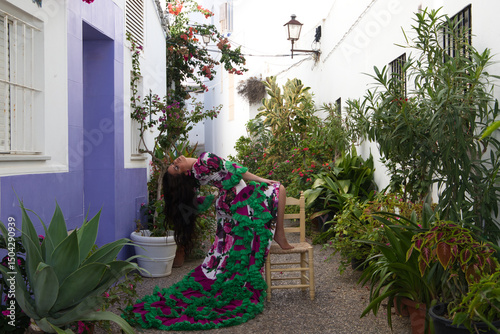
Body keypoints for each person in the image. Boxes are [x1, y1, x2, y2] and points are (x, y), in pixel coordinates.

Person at [124, 152, 293, 331]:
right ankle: (279, 235)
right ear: (184, 174)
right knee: (279, 188)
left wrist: (210, 200)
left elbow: (220, 179)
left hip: (226, 205)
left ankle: (277, 235)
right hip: (238, 201)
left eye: (174, 164)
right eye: (176, 167)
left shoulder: (196, 173)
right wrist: (262, 180)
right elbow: (236, 170)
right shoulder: (203, 160)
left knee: (229, 251)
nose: (177, 161)